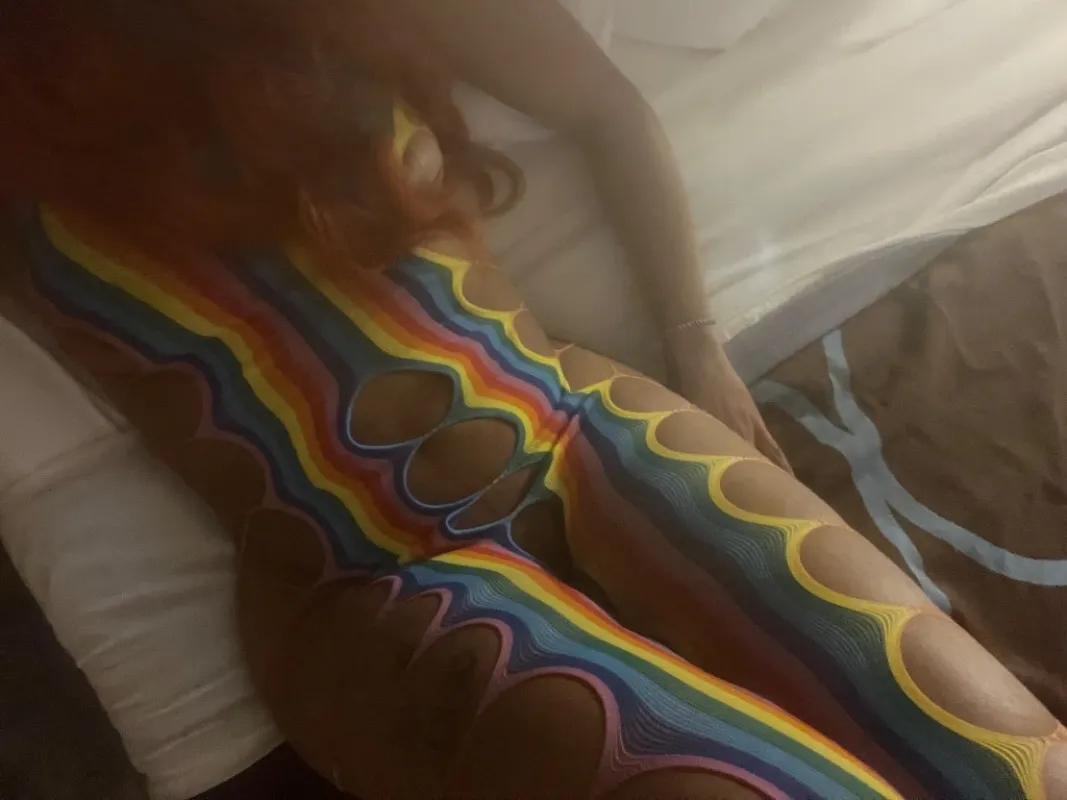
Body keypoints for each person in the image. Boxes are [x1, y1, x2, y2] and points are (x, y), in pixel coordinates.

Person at [0, 1, 1064, 798]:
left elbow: (604, 108)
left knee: (1013, 768)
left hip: (573, 423)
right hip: (361, 581)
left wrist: (694, 346)